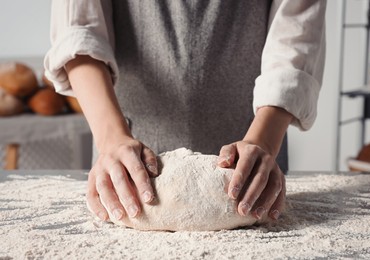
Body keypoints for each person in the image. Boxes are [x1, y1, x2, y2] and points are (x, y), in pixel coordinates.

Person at [45, 0, 326, 223]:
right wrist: (111, 138)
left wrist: (263, 140)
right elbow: (78, 31)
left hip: (252, 156)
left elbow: (295, 33)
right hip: (127, 160)